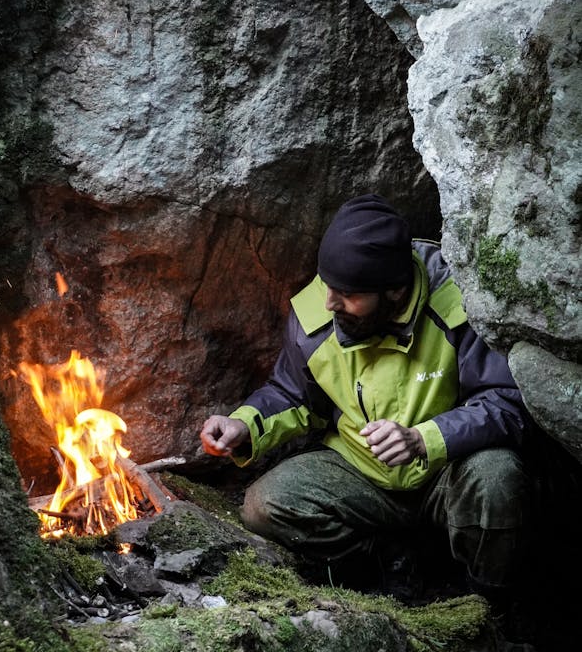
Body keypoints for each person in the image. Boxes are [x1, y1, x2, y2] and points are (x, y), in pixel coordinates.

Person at [200, 194, 531, 600]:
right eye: (328, 285)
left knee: (498, 475)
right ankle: (387, 556)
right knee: (264, 505)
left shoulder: (459, 304)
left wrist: (422, 438)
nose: (329, 301)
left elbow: (506, 403)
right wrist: (243, 424)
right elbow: (294, 394)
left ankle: (486, 602)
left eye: (347, 293)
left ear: (394, 291)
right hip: (360, 472)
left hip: (447, 471)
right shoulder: (316, 317)